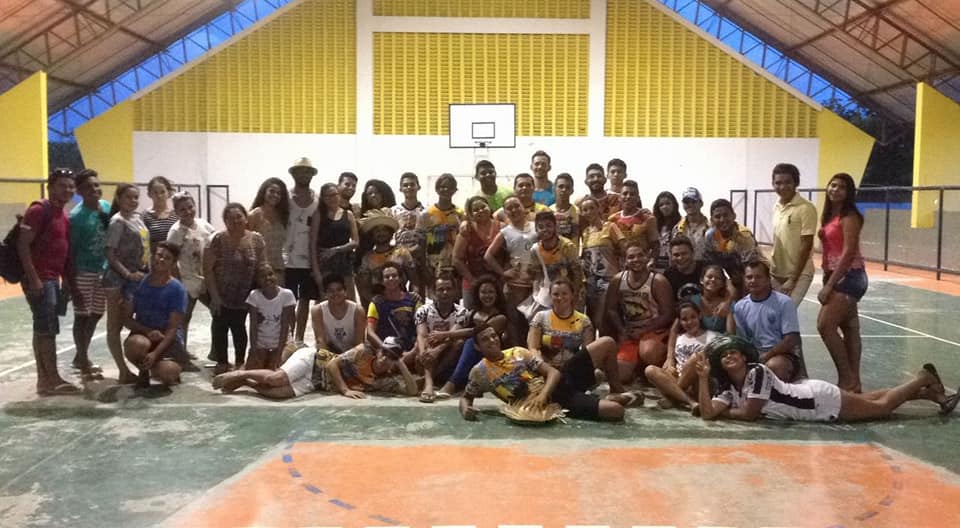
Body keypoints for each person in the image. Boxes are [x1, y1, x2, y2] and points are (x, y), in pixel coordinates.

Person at [695, 336, 958, 422]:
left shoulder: (758, 373)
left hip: (817, 401)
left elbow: (749, 414)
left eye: (733, 352)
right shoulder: (730, 389)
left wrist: (723, 412)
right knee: (870, 398)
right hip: (811, 396)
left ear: (744, 357)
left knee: (880, 407)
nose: (729, 356)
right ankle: (930, 393)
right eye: (724, 356)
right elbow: (707, 413)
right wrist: (704, 379)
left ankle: (922, 378)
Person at [459, 325, 630, 422]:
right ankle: (600, 395)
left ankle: (616, 391)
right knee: (616, 411)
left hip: (556, 382)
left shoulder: (518, 352)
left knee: (607, 342)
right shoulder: (479, 372)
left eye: (493, 336)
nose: (492, 340)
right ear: (477, 347)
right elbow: (466, 397)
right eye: (485, 339)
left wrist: (542, 395)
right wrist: (466, 410)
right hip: (555, 401)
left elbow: (553, 373)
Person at [17, 168, 80, 395]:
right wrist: (34, 278)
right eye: (62, 185)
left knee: (43, 328)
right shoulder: (38, 210)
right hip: (41, 279)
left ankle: (44, 380)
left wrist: (66, 281)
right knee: (47, 329)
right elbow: (23, 245)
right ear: (50, 187)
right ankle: (51, 378)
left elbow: (61, 251)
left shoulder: (63, 215)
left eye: (71, 186)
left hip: (52, 279)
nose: (68, 190)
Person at [212, 338, 418, 399]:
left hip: (317, 382)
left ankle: (246, 383)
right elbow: (332, 364)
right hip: (314, 360)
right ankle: (240, 372)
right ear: (379, 351)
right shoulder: (363, 351)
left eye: (391, 357)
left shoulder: (385, 380)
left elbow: (412, 391)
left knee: (278, 394)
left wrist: (400, 363)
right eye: (384, 352)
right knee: (276, 379)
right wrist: (345, 390)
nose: (385, 358)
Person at [527, 279, 631, 398]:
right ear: (550, 296)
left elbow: (587, 353)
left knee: (608, 343)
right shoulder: (541, 317)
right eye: (556, 294)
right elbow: (533, 348)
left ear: (572, 295)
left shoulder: (583, 320)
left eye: (564, 294)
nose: (560, 298)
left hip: (572, 369)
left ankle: (616, 389)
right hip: (547, 369)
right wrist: (544, 368)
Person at [818, 173, 870, 393]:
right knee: (849, 328)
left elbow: (848, 253)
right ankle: (854, 383)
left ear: (849, 193)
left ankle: (847, 379)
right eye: (833, 185)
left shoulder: (849, 217)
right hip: (837, 275)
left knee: (825, 325)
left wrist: (830, 285)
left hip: (850, 277)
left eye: (842, 187)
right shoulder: (831, 215)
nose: (835, 190)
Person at [204, 203, 266, 374]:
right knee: (220, 327)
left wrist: (261, 296)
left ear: (246, 218)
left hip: (245, 294)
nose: (236, 221)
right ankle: (222, 362)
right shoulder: (217, 239)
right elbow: (208, 270)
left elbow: (262, 267)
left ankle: (239, 362)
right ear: (225, 221)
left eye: (239, 216)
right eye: (230, 218)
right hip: (220, 293)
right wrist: (215, 297)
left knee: (239, 328)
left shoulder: (257, 240)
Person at [604, 243, 674, 385]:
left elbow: (668, 314)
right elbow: (611, 309)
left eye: (640, 255)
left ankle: (654, 370)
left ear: (647, 256)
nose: (636, 259)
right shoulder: (618, 280)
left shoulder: (658, 281)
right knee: (620, 374)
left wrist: (644, 330)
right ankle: (636, 368)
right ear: (624, 261)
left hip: (654, 330)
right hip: (631, 331)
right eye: (631, 257)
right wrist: (621, 330)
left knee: (648, 352)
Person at [437, 275, 515, 397]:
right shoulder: (471, 313)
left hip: (489, 360)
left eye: (491, 292)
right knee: (456, 343)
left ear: (497, 295)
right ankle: (431, 378)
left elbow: (474, 331)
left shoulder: (500, 317)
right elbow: (457, 329)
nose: (487, 295)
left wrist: (445, 334)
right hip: (467, 362)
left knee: (471, 341)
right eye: (483, 292)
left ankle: (451, 384)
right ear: (477, 294)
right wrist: (438, 345)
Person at [123, 242, 189, 387]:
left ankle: (164, 367)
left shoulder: (177, 290)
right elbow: (127, 319)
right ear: (153, 257)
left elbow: (173, 328)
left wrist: (155, 354)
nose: (161, 259)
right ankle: (143, 370)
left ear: (173, 264)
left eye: (167, 258)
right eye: (159, 255)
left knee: (167, 373)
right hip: (144, 335)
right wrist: (147, 331)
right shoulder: (138, 283)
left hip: (168, 340)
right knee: (136, 344)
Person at [102, 183, 149, 385]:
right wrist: (127, 274)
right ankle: (122, 370)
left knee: (135, 321)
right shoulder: (117, 222)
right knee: (115, 326)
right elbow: (110, 254)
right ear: (119, 199)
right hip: (117, 280)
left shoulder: (137, 218)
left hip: (138, 277)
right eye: (128, 197)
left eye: (136, 197)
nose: (133, 201)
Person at [68, 169, 110, 379]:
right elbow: (71, 250)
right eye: (88, 187)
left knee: (97, 313)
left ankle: (80, 355)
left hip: (103, 270)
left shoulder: (107, 208)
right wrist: (70, 282)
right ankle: (83, 361)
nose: (94, 189)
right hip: (83, 271)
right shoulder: (76, 217)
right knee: (82, 316)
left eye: (96, 185)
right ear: (79, 191)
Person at [733, 260, 804, 383]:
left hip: (782, 354)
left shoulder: (784, 302)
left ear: (768, 279)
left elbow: (791, 339)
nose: (753, 280)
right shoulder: (740, 307)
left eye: (758, 277)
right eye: (749, 277)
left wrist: (767, 356)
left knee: (774, 366)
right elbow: (742, 340)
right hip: (755, 354)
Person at [166, 191, 216, 354]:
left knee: (218, 313)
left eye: (190, 207)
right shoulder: (175, 232)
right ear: (176, 212)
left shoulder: (203, 225)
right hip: (186, 281)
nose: (188, 211)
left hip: (206, 279)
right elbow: (171, 260)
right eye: (182, 209)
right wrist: (178, 284)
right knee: (183, 319)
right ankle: (181, 354)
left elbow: (216, 243)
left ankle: (216, 352)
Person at [644, 301, 720, 410]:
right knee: (650, 370)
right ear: (679, 322)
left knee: (697, 357)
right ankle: (690, 402)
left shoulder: (713, 337)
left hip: (699, 381)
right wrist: (670, 363)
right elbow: (673, 335)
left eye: (693, 317)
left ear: (700, 316)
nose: (689, 322)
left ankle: (674, 397)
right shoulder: (679, 338)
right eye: (684, 319)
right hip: (677, 377)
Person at [485, 196, 538, 338]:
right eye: (509, 208)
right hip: (514, 286)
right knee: (514, 322)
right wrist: (503, 273)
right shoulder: (505, 232)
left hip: (536, 284)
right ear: (505, 212)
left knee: (535, 322)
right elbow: (488, 256)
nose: (514, 210)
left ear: (523, 207)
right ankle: (516, 349)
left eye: (516, 206)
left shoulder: (536, 227)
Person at [415, 276, 468, 402]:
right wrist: (423, 354)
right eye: (440, 289)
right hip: (428, 350)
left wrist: (437, 350)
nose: (445, 292)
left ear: (455, 291)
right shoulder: (423, 310)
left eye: (448, 289)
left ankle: (428, 381)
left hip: (448, 352)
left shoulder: (462, 312)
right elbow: (422, 335)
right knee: (421, 344)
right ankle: (429, 382)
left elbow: (452, 335)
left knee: (459, 342)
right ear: (434, 292)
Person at [770, 163, 817, 305]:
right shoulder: (776, 207)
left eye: (787, 182)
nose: (782, 187)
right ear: (773, 184)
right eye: (778, 183)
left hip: (799, 274)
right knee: (772, 314)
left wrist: (793, 279)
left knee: (787, 311)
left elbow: (806, 244)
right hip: (776, 273)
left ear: (796, 183)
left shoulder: (806, 208)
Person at [284, 157, 319, 344]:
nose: (304, 175)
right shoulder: (285, 198)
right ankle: (288, 336)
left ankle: (299, 338)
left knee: (305, 299)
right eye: (300, 171)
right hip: (286, 259)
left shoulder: (318, 200)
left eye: (307, 171)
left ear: (312, 175)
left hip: (309, 259)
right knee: (289, 300)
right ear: (293, 174)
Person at [356, 208, 415, 308]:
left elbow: (414, 282)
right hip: (380, 305)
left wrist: (411, 299)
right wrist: (375, 301)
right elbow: (364, 288)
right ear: (372, 235)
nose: (381, 233)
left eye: (384, 230)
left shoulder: (402, 253)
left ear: (390, 232)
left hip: (402, 302)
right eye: (377, 231)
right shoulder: (367, 258)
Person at [579, 195, 623, 326]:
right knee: (591, 318)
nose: (589, 212)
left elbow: (624, 247)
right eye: (585, 209)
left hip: (608, 279)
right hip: (590, 281)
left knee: (603, 317)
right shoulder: (585, 232)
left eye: (592, 208)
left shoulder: (610, 227)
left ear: (599, 208)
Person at [310, 182, 359, 302]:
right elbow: (312, 244)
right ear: (323, 198)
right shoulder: (318, 215)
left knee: (349, 301)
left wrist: (336, 250)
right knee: (325, 301)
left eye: (334, 194)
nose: (332, 198)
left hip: (344, 263)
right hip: (325, 264)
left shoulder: (348, 214)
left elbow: (355, 241)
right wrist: (316, 272)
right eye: (328, 196)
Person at [418, 174, 464, 295]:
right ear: (437, 189)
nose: (446, 190)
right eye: (442, 187)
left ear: (455, 190)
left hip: (454, 266)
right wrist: (424, 268)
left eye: (450, 187)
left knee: (454, 298)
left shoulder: (460, 214)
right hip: (433, 265)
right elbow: (421, 243)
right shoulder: (426, 214)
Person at [703, 198, 760, 297]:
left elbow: (749, 270)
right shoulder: (710, 236)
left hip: (742, 276)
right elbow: (710, 263)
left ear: (734, 216)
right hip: (722, 276)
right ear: (711, 220)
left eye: (726, 215)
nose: (722, 220)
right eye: (717, 216)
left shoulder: (744, 237)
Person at [529, 210, 583, 309]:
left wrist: (574, 296)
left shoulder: (567, 246)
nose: (545, 229)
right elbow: (537, 274)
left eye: (549, 226)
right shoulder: (535, 249)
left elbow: (577, 273)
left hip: (569, 293)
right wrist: (536, 293)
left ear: (555, 227)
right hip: (548, 294)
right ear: (536, 229)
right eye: (541, 227)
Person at [245, 264, 295, 369]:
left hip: (283, 343)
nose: (267, 278)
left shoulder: (287, 295)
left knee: (275, 368)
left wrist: (279, 353)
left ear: (276, 275)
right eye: (262, 276)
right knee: (253, 369)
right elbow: (253, 326)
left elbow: (285, 325)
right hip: (261, 343)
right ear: (257, 280)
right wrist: (253, 350)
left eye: (270, 274)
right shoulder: (254, 295)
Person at [453, 195, 499, 309]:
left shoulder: (501, 227)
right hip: (472, 282)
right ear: (470, 214)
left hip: (498, 283)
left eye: (483, 207)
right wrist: (473, 281)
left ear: (489, 207)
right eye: (476, 209)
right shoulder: (467, 230)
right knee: (472, 316)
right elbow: (456, 259)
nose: (480, 211)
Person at [366, 262, 422, 355]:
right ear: (382, 281)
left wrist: (413, 352)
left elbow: (421, 330)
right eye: (387, 277)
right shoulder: (376, 303)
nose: (391, 279)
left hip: (412, 351)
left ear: (400, 279)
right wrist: (385, 348)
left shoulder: (414, 300)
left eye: (394, 276)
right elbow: (370, 332)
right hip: (386, 352)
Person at [248, 177, 290, 285]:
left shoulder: (282, 216)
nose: (275, 195)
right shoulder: (255, 215)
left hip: (279, 270)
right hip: (259, 271)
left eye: (279, 193)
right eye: (272, 191)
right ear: (264, 192)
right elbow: (245, 243)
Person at [311, 274, 365, 354]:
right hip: (328, 352)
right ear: (325, 294)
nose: (335, 293)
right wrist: (329, 359)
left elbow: (359, 343)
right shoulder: (317, 311)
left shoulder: (358, 311)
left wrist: (344, 358)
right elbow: (320, 340)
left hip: (352, 353)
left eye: (339, 290)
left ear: (345, 292)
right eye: (331, 291)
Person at [391, 172, 426, 290]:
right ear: (400, 188)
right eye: (405, 185)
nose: (409, 187)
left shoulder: (426, 211)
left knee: (418, 293)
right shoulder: (393, 211)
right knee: (397, 292)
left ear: (418, 187)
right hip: (398, 260)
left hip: (419, 259)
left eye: (412, 184)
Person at [357, 179, 398, 277]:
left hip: (394, 260)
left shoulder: (395, 212)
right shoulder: (362, 217)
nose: (373, 196)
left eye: (376, 192)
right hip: (370, 264)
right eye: (369, 194)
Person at [609, 180, 658, 261]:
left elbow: (655, 245)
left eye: (632, 194)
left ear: (638, 198)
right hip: (619, 265)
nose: (628, 197)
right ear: (619, 198)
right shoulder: (612, 219)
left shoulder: (648, 218)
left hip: (641, 264)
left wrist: (652, 261)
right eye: (625, 194)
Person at [693, 264, 735, 334]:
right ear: (701, 280)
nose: (713, 280)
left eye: (718, 278)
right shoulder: (692, 301)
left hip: (723, 340)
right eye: (709, 277)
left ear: (723, 283)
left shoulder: (729, 304)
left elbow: (731, 334)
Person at [142, 176, 179, 254]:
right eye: (155, 192)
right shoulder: (145, 216)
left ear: (169, 193)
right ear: (149, 194)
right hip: (153, 258)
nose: (159, 196)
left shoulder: (177, 215)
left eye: (162, 192)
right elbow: (143, 241)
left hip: (173, 259)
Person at [672, 187, 709, 260]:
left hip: (705, 266)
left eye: (693, 201)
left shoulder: (710, 227)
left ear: (701, 203)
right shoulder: (677, 229)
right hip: (683, 265)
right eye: (686, 202)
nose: (690, 204)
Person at [652, 191, 681, 272]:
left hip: (675, 266)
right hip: (656, 266)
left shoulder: (681, 224)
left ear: (674, 205)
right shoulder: (654, 225)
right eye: (661, 205)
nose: (664, 207)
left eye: (668, 203)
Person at [551, 173, 579, 251]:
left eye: (568, 187)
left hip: (572, 255)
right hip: (552, 256)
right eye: (561, 187)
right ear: (554, 189)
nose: (564, 190)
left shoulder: (578, 212)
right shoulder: (548, 211)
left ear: (572, 191)